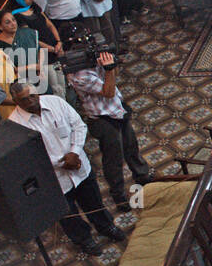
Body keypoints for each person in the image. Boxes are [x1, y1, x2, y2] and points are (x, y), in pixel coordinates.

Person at [8, 82, 126, 254]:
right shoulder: (15, 125)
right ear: (16, 102)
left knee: (93, 201)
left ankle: (106, 227)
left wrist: (75, 152)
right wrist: (63, 162)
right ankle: (84, 240)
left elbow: (78, 126)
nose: (30, 101)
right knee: (68, 215)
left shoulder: (56, 102)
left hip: (79, 166)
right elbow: (25, 157)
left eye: (32, 96)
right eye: (24, 100)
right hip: (53, 179)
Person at [67, 50, 151, 209]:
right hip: (103, 119)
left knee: (131, 146)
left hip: (116, 109)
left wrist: (112, 64)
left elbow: (114, 76)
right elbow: (108, 91)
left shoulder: (93, 63)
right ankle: (119, 195)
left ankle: (142, 175)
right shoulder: (79, 76)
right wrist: (109, 69)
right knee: (114, 159)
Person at [0, 8, 65, 98]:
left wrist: (40, 65)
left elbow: (40, 50)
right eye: (8, 22)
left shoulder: (27, 33)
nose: (13, 24)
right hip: (21, 83)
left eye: (13, 20)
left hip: (39, 77)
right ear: (0, 26)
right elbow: (8, 69)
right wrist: (31, 67)